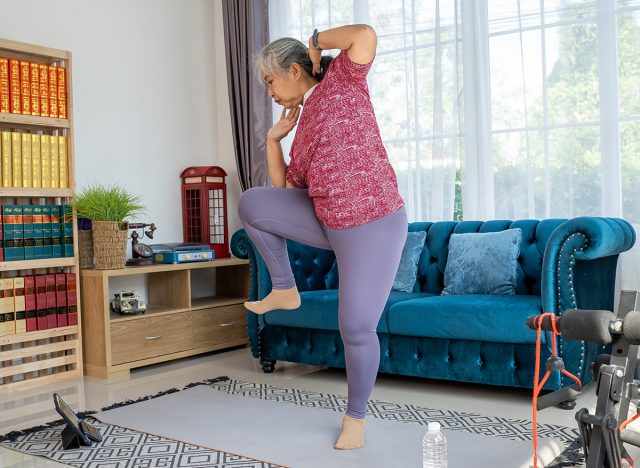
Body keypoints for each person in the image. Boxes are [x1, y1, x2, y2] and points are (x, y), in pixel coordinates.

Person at [237, 24, 407, 450]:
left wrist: (316, 46)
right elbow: (284, 196)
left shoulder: (343, 81)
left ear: (295, 71)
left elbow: (364, 34)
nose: (269, 92)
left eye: (270, 81)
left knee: (355, 326)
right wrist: (273, 141)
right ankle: (284, 289)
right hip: (329, 222)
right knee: (253, 205)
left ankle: (356, 419)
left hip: (375, 224)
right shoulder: (302, 130)